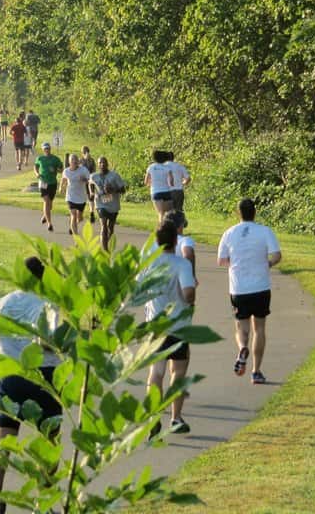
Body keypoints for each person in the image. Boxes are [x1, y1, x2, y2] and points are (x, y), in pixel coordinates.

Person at [0, 256, 62, 514]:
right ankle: (44, 500)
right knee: (48, 440)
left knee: (2, 437)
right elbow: (48, 343)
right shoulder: (49, 304)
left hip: (10, 376)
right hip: (44, 377)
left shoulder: (2, 303)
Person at [138, 214, 196, 434]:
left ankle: (153, 417)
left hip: (155, 325)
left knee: (156, 372)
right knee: (178, 373)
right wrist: (187, 299)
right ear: (175, 241)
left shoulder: (149, 265)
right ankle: (176, 417)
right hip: (179, 325)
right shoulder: (181, 265)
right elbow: (189, 294)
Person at [217, 198, 282, 385]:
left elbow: (221, 260)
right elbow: (277, 255)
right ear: (255, 212)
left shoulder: (229, 233)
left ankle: (242, 348)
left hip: (239, 288)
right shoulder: (264, 231)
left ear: (238, 213)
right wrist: (267, 264)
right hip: (261, 287)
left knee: (241, 327)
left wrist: (235, 265)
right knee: (259, 328)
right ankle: (256, 371)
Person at [89, 156, 127, 251]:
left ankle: (106, 241)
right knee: (104, 225)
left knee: (111, 228)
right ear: (98, 165)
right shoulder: (94, 176)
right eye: (100, 162)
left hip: (113, 205)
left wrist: (112, 190)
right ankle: (105, 250)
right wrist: (92, 193)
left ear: (107, 164)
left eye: (104, 162)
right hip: (100, 204)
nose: (102, 164)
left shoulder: (114, 176)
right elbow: (90, 183)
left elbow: (123, 189)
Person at [59, 153, 92, 236]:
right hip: (71, 196)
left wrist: (84, 179)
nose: (74, 161)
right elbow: (63, 179)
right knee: (73, 214)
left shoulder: (83, 170)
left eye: (76, 160)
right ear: (70, 162)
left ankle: (73, 225)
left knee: (79, 218)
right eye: (72, 160)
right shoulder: (66, 171)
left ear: (78, 161)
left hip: (81, 197)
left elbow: (90, 181)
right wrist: (61, 187)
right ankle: (76, 237)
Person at [34, 142, 63, 232]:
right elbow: (35, 166)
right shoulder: (40, 158)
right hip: (43, 182)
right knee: (46, 201)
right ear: (43, 150)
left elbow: (62, 170)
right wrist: (37, 174)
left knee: (50, 205)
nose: (47, 150)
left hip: (52, 183)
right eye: (45, 149)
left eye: (48, 148)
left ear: (50, 149)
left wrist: (55, 170)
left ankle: (45, 215)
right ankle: (50, 223)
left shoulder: (55, 159)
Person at [144, 150, 174, 223]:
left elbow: (146, 181)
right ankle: (170, 228)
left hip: (156, 192)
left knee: (161, 213)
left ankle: (162, 229)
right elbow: (171, 181)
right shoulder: (167, 168)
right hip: (166, 192)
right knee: (169, 213)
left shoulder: (151, 167)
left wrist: (150, 184)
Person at [166, 151, 191, 219]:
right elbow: (188, 178)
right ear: (173, 158)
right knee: (178, 212)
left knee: (168, 212)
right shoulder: (179, 166)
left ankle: (169, 226)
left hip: (167, 191)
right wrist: (183, 183)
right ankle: (179, 226)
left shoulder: (163, 167)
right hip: (179, 191)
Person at [79, 146, 97, 223]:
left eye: (86, 151)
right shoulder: (80, 160)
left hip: (89, 180)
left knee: (90, 197)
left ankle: (91, 212)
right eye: (84, 152)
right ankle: (85, 212)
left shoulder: (90, 160)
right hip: (84, 181)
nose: (85, 153)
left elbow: (93, 170)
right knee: (85, 197)